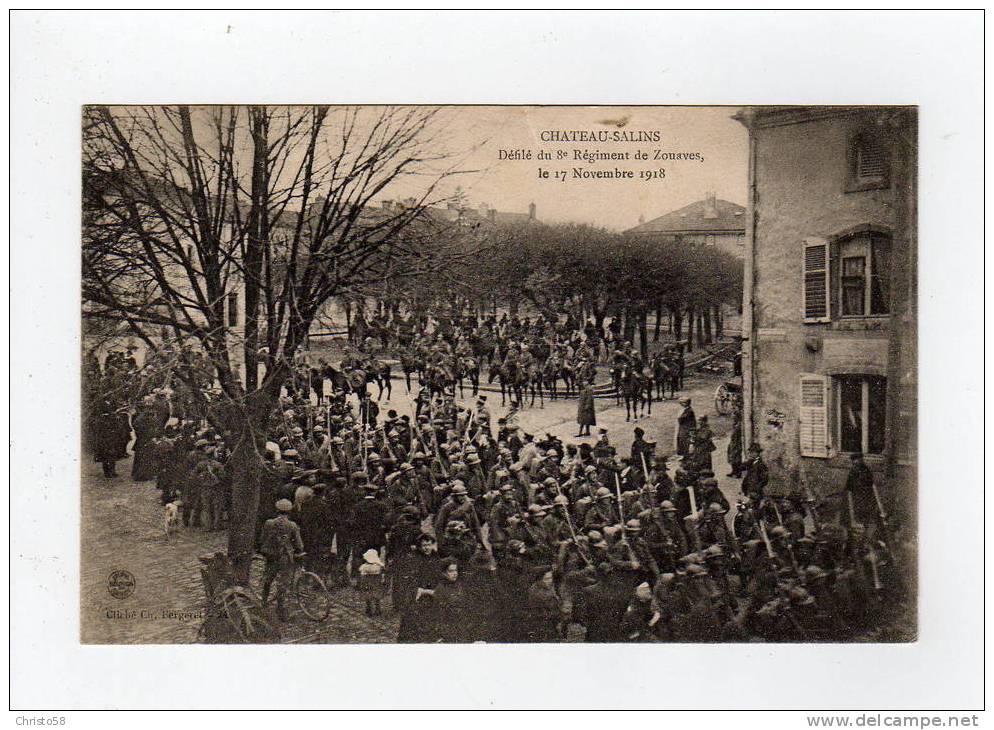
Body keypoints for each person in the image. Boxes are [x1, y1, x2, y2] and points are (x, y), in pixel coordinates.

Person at [259, 499, 304, 621]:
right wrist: (298, 551)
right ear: (289, 512)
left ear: (277, 510)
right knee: (283, 583)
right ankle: (280, 610)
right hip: (285, 557)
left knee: (268, 578)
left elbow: (262, 538)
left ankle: (263, 600)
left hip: (271, 556)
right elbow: (299, 545)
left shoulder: (268, 523)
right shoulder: (292, 525)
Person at [358, 549, 386, 617]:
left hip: (367, 583)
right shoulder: (378, 566)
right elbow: (382, 573)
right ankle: (377, 609)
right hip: (376, 583)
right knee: (377, 596)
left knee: (368, 596)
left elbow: (362, 575)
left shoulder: (363, 567)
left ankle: (369, 609)